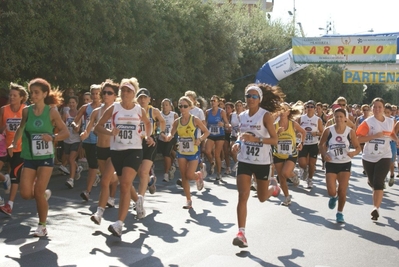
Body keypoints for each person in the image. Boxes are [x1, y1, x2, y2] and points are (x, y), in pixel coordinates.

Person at [10, 78, 69, 236]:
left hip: (45, 157)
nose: (33, 95)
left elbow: (65, 132)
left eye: (36, 92)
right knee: (25, 194)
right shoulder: (26, 111)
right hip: (29, 156)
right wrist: (14, 143)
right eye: (31, 92)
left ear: (44, 94)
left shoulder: (51, 112)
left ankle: (42, 226)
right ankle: (43, 195)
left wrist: (53, 137)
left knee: (37, 191)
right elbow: (21, 127)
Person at [95, 77, 152, 237]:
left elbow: (147, 124)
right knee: (123, 183)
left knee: (126, 184)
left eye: (129, 90)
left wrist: (147, 136)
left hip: (134, 151)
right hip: (116, 151)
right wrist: (110, 132)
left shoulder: (139, 110)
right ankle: (138, 201)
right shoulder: (114, 108)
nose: (125, 92)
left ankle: (119, 223)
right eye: (123, 90)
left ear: (134, 93)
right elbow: (98, 126)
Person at [231, 83, 284, 248]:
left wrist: (257, 140)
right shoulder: (243, 115)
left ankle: (273, 189)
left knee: (261, 198)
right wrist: (238, 142)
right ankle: (241, 233)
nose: (251, 99)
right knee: (242, 195)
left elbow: (274, 140)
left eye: (254, 96)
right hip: (245, 160)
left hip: (262, 162)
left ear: (259, 99)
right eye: (248, 96)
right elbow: (242, 132)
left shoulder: (266, 116)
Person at [356, 98, 397, 221]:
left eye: (379, 107)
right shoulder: (368, 122)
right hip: (369, 156)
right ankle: (372, 182)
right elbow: (357, 139)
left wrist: (397, 140)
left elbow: (391, 133)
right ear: (372, 108)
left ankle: (375, 208)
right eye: (375, 107)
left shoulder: (391, 121)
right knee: (373, 182)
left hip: (384, 155)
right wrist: (374, 136)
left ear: (384, 108)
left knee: (378, 183)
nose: (377, 109)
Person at [165, 96, 209, 208]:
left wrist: (199, 139)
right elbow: (172, 133)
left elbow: (206, 132)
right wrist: (168, 137)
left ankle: (198, 175)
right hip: (182, 152)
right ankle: (188, 200)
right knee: (184, 176)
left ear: (190, 107)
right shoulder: (176, 121)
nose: (182, 108)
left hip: (193, 151)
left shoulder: (195, 120)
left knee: (190, 175)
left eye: (185, 106)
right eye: (180, 106)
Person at [319, 108, 361, 223]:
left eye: (341, 117)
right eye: (336, 117)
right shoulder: (328, 130)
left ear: (345, 118)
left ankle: (340, 213)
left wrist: (353, 153)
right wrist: (324, 153)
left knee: (342, 190)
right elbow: (321, 145)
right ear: (333, 118)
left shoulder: (350, 132)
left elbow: (358, 148)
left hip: (345, 163)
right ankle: (333, 197)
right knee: (331, 191)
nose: (338, 119)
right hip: (331, 163)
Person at [131, 88, 166, 219]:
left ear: (149, 99)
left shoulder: (153, 111)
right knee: (139, 172)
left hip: (150, 143)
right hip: (136, 143)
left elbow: (162, 121)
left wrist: (158, 134)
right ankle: (150, 182)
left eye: (145, 97)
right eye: (140, 97)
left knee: (143, 172)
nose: (143, 100)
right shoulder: (133, 109)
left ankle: (140, 201)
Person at [89, 79, 120, 225]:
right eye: (104, 92)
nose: (106, 95)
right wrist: (83, 133)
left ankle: (99, 212)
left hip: (113, 149)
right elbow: (92, 128)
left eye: (109, 93)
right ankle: (122, 181)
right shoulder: (97, 111)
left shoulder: (119, 110)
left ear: (115, 95)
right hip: (99, 148)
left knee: (104, 180)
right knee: (109, 179)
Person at [0, 82, 28, 216]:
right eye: (10, 95)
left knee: (14, 176)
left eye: (14, 95)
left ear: (22, 97)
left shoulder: (26, 110)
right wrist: (3, 130)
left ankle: (9, 205)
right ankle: (4, 180)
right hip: (4, 147)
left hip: (20, 149)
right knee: (8, 177)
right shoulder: (4, 110)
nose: (11, 98)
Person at [71, 84, 102, 201]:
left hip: (101, 141)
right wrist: (76, 127)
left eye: (97, 93)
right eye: (93, 93)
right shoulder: (86, 108)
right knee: (92, 165)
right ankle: (97, 176)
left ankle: (88, 191)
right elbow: (75, 121)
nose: (95, 96)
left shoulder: (105, 107)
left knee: (93, 166)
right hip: (88, 140)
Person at [273, 102, 306, 206]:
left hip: (291, 154)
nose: (282, 112)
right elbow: (271, 140)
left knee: (286, 173)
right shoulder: (275, 125)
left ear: (288, 112)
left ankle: (294, 176)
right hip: (278, 154)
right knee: (281, 177)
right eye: (280, 110)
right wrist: (277, 133)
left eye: (285, 110)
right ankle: (287, 197)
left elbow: (303, 132)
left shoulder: (293, 124)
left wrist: (301, 143)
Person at [298, 100, 324, 189]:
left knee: (312, 164)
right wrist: (298, 133)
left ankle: (310, 180)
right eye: (307, 107)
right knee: (302, 163)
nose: (309, 108)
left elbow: (322, 132)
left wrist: (316, 134)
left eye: (311, 107)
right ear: (305, 109)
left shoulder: (318, 119)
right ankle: (304, 169)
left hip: (313, 143)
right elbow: (295, 129)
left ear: (314, 109)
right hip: (303, 143)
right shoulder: (301, 118)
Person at [204, 95, 230, 180]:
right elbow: (205, 123)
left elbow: (227, 124)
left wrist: (224, 124)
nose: (212, 102)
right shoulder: (207, 112)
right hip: (211, 134)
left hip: (220, 135)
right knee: (207, 151)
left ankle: (218, 173)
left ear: (218, 102)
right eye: (211, 101)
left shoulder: (222, 112)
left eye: (214, 101)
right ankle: (212, 162)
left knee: (217, 154)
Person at [62, 96, 83, 188]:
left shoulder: (80, 114)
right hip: (67, 139)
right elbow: (61, 125)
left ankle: (71, 180)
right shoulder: (66, 113)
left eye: (73, 102)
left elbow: (78, 128)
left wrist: (76, 127)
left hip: (76, 140)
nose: (71, 104)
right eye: (70, 102)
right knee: (69, 159)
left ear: (77, 103)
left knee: (71, 159)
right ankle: (78, 168)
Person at [158, 98, 178, 182]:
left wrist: (171, 135)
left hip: (171, 137)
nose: (165, 107)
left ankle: (165, 174)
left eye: (166, 105)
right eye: (163, 105)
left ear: (170, 107)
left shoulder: (174, 115)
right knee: (165, 155)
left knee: (166, 154)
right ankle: (171, 167)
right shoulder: (158, 114)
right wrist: (162, 134)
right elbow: (158, 127)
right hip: (161, 138)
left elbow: (177, 127)